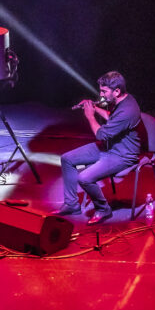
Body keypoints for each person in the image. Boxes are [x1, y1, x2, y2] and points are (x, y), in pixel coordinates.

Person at [57, 71, 141, 224]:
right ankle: (71, 204)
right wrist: (94, 107)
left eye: (104, 91)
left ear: (116, 91)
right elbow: (111, 117)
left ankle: (103, 209)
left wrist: (90, 116)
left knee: (85, 178)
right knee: (67, 159)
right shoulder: (122, 100)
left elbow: (101, 135)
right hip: (109, 147)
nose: (101, 94)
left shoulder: (128, 109)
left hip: (122, 155)